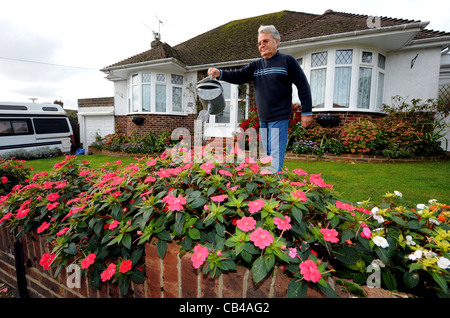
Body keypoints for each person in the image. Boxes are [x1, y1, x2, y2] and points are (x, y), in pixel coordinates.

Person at [208, 25, 313, 173]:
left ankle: (274, 187)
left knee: (275, 156)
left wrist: (306, 112)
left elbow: (303, 85)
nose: (261, 45)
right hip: (264, 119)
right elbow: (239, 75)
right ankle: (270, 186)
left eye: (265, 41)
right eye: (259, 43)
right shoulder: (256, 65)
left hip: (279, 117)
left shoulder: (287, 61)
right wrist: (220, 73)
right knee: (266, 155)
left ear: (276, 41)